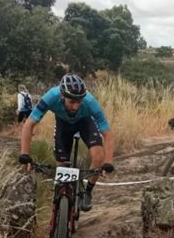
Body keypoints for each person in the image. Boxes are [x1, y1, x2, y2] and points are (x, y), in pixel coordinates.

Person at [19, 73, 114, 212]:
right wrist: (24, 154)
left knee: (98, 157)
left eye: (79, 102)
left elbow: (108, 134)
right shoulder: (51, 96)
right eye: (72, 102)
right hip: (63, 124)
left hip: (85, 122)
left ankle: (87, 192)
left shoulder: (90, 102)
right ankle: (59, 202)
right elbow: (29, 124)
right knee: (61, 164)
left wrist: (108, 162)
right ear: (62, 96)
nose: (75, 106)